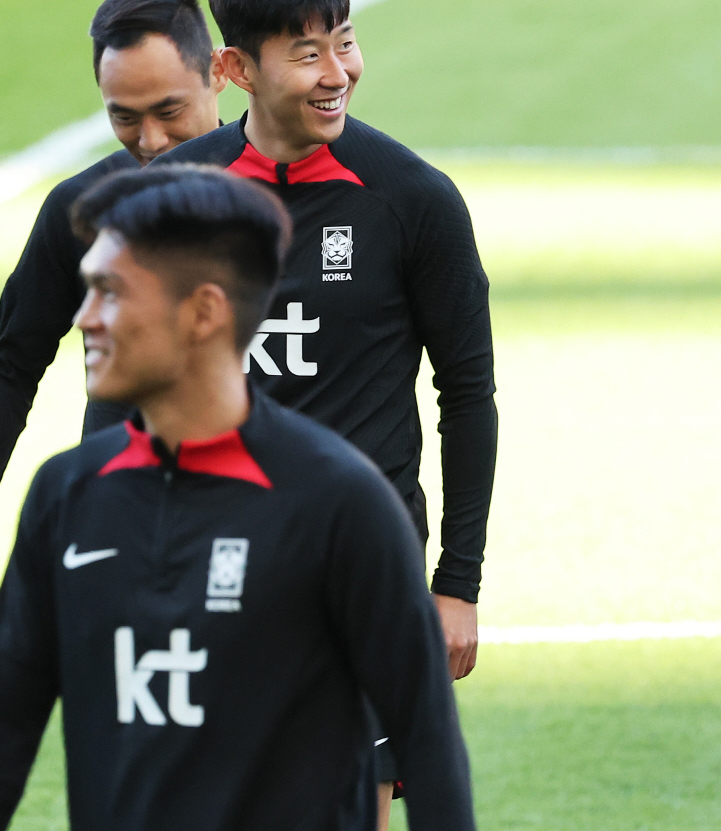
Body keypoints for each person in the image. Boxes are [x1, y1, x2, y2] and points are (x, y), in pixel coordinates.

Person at [0, 165, 475, 830]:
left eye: (109, 292)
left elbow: (429, 749)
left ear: (203, 312)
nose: (84, 319)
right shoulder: (65, 494)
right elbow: (9, 724)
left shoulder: (342, 504)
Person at [154, 0, 498, 820]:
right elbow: (132, 391)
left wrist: (457, 583)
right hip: (211, 560)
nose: (337, 72)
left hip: (363, 569)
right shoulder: (176, 198)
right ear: (236, 68)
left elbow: (467, 394)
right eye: (306, 52)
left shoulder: (412, 199)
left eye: (343, 42)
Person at [0, 0, 226, 473]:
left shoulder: (290, 197)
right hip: (117, 499)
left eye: (169, 110)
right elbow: (11, 364)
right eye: (124, 117)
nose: (150, 140)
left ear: (218, 72)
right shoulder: (79, 209)